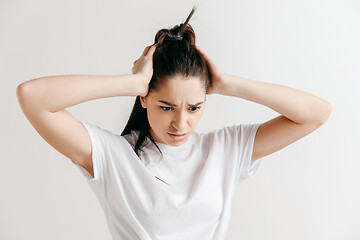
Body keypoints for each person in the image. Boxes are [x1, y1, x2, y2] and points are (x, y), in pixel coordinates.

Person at [16, 5, 332, 240]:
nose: (180, 123)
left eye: (194, 108)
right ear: (145, 98)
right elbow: (32, 97)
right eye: (166, 107)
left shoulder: (224, 150)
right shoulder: (114, 156)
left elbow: (316, 114)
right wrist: (133, 83)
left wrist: (228, 84)